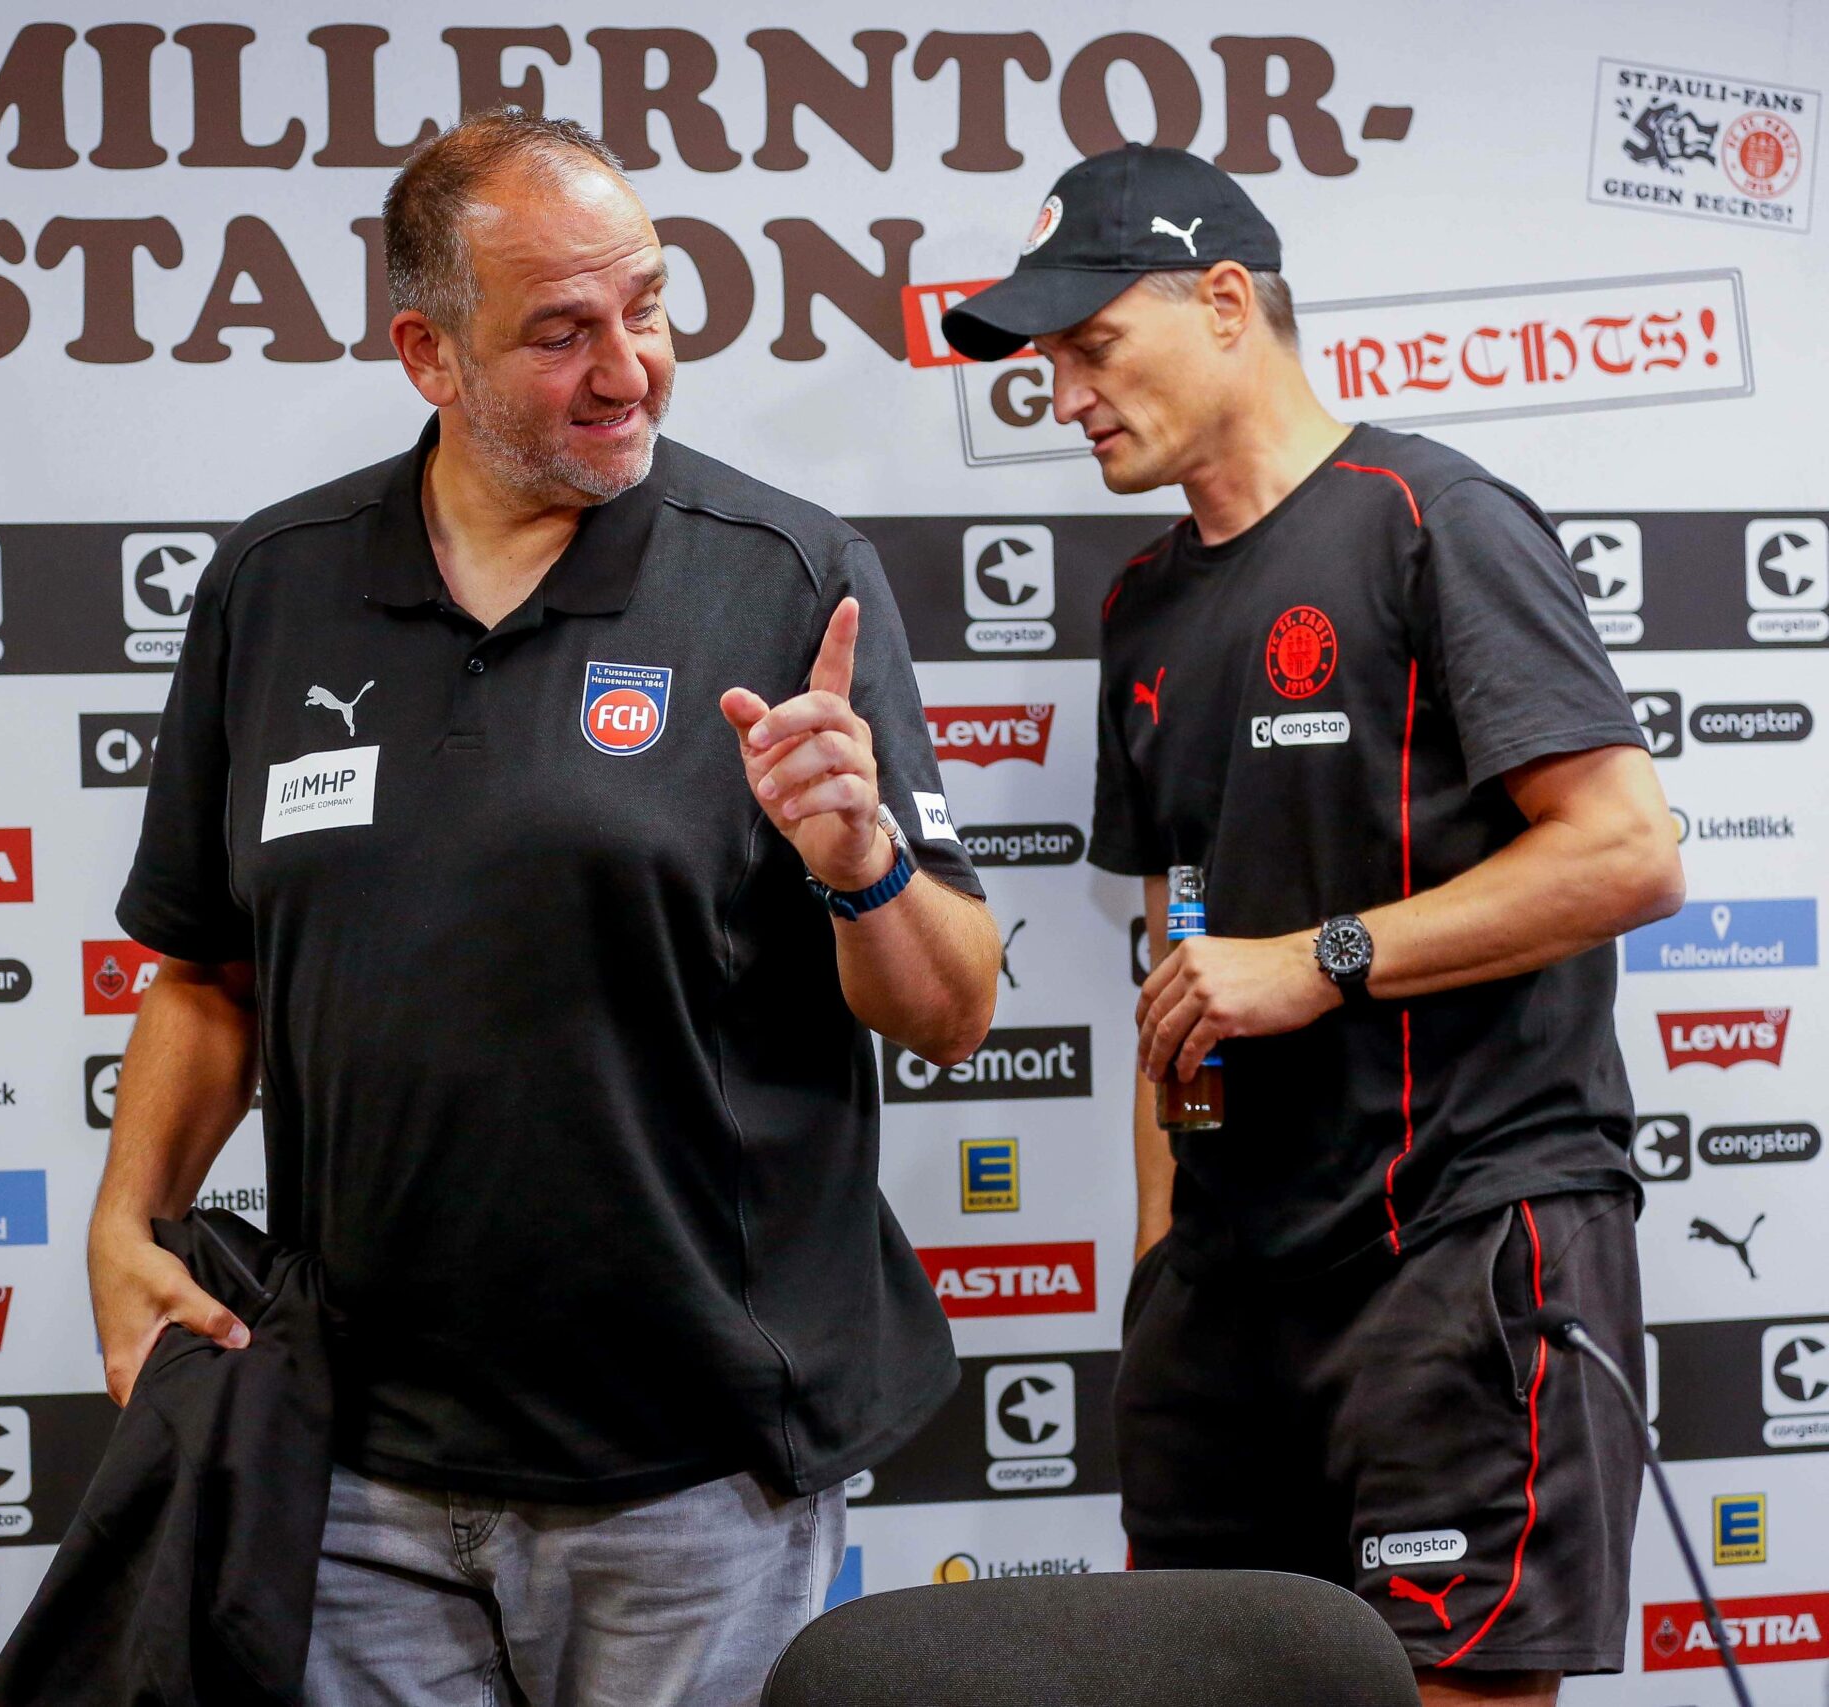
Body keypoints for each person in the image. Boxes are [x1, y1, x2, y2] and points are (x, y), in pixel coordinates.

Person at [94, 109, 1001, 1705]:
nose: (628, 368)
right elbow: (208, 972)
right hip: (354, 1462)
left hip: (691, 1474)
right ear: (427, 354)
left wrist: (858, 859)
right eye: (561, 332)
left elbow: (952, 1003)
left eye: (647, 307)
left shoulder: (785, 575)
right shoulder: (275, 584)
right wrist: (122, 1221)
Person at [944, 145, 1683, 1705]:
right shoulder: (1139, 598)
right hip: (1229, 1287)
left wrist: (1326, 957)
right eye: (1046, 362)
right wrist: (1159, 1266)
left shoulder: (1436, 518)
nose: (1064, 393)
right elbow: (1181, 938)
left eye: (1092, 344)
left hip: (1457, 1244)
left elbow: (1626, 851)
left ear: (1226, 301)